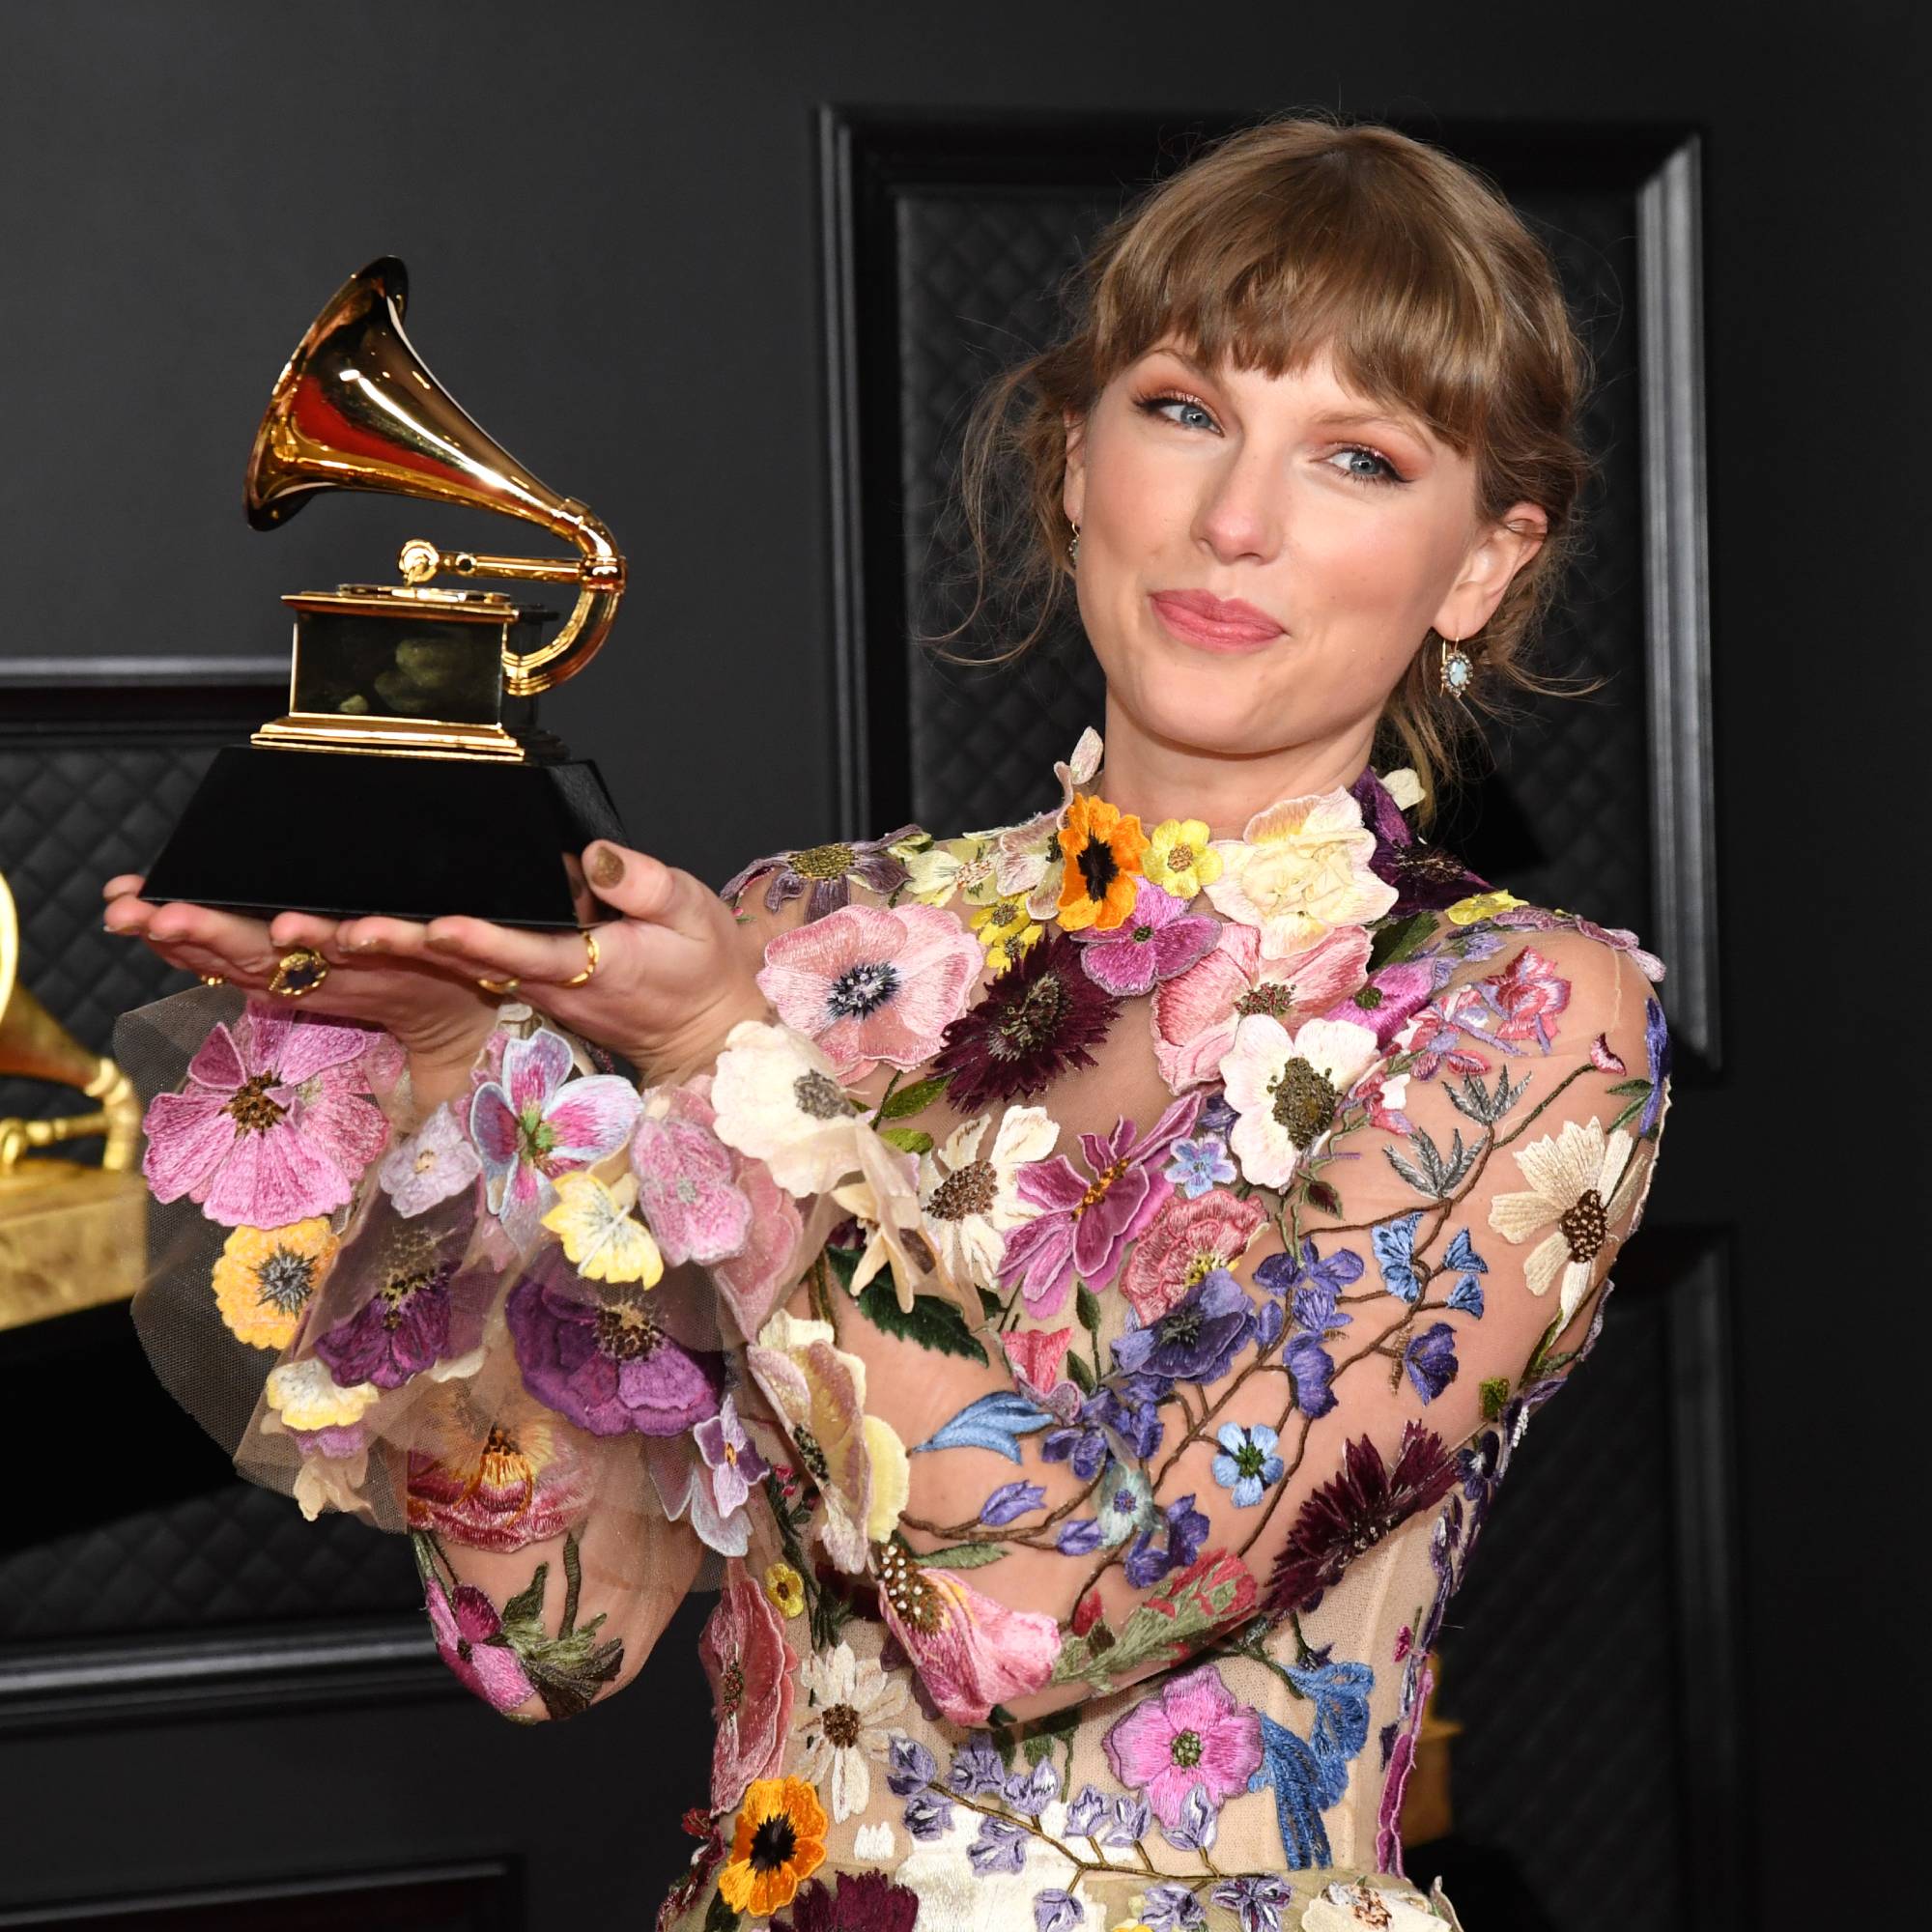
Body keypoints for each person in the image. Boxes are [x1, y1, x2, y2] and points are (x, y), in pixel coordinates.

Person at [105, 112, 1673, 1932]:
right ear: (1073, 462)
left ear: (1477, 568)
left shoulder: (1524, 1014)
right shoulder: (804, 939)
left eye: (1355, 456)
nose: (1234, 521)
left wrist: (712, 1077)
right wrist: (447, 1065)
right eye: (1181, 411)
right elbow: (550, 1646)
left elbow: (1064, 1607)